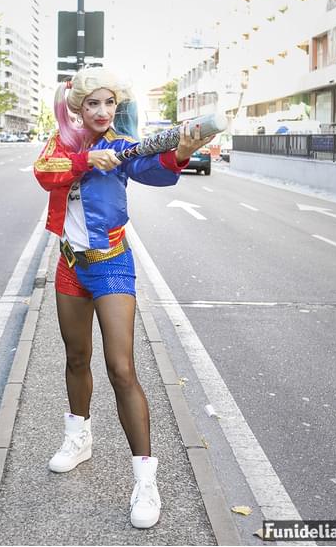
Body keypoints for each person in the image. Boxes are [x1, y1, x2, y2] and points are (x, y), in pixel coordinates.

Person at [34, 67, 212, 529]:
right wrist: (84, 161)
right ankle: (79, 439)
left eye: (109, 102)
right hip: (69, 264)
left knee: (121, 368)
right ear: (78, 106)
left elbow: (152, 170)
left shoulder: (122, 145)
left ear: (117, 106)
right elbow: (45, 173)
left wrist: (182, 152)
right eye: (93, 102)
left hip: (111, 263)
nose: (102, 111)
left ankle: (145, 480)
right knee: (76, 358)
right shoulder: (61, 145)